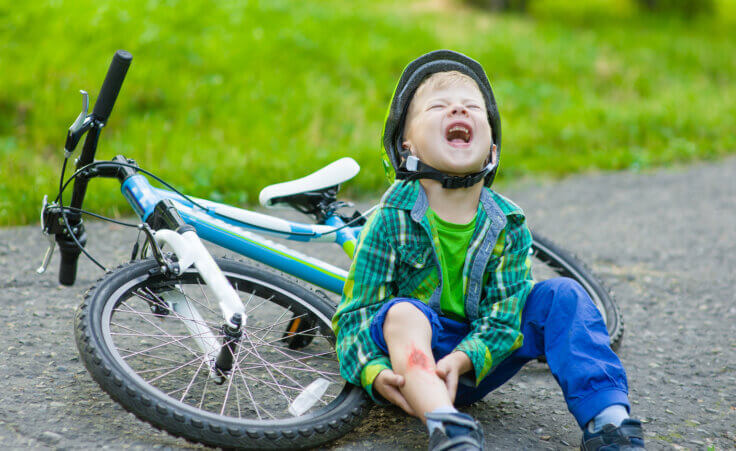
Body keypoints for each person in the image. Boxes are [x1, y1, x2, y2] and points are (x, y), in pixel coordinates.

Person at [332, 50, 645, 450]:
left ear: (492, 150)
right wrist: (372, 371)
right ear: (408, 146)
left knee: (562, 295)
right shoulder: (390, 219)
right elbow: (355, 314)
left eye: (471, 107)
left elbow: (505, 316)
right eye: (439, 106)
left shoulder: (507, 224)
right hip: (410, 367)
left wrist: (464, 359)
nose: (458, 109)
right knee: (403, 311)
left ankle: (608, 422)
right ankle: (448, 427)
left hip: (479, 360)